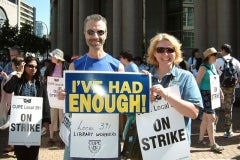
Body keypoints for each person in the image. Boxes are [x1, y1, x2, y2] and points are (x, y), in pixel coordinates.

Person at [60, 14, 124, 160]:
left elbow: (125, 105)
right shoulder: (74, 66)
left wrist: (144, 84)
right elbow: (67, 101)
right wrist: (61, 97)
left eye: (100, 32)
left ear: (106, 34)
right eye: (91, 32)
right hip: (79, 134)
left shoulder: (117, 67)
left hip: (108, 136)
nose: (95, 36)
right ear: (84, 34)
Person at [147, 33, 203, 143]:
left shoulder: (186, 77)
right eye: (160, 50)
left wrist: (166, 95)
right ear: (154, 53)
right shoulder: (145, 78)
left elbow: (194, 113)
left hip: (177, 146)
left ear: (176, 53)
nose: (165, 54)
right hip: (150, 145)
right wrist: (144, 100)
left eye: (170, 50)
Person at [3, 56, 51, 160]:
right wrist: (18, 74)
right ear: (24, 66)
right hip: (19, 123)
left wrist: (46, 121)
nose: (33, 69)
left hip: (34, 124)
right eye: (30, 66)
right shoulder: (18, 80)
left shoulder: (40, 81)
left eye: (36, 67)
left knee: (33, 153)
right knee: (20, 153)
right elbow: (7, 89)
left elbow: (45, 101)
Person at [196, 47, 224, 153]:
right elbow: (197, 82)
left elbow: (216, 80)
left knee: (206, 119)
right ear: (209, 56)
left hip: (213, 94)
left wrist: (220, 92)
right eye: (215, 55)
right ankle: (213, 144)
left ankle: (200, 140)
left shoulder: (212, 66)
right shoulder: (203, 67)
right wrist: (196, 98)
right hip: (205, 95)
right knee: (211, 118)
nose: (216, 57)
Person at [214, 44, 240, 138]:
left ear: (223, 50)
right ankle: (228, 131)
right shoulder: (236, 61)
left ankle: (213, 129)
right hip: (230, 88)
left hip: (219, 87)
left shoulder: (217, 61)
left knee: (216, 108)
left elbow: (213, 74)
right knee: (228, 109)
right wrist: (235, 84)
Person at [44, 48, 68, 146]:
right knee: (52, 116)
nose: (51, 57)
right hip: (52, 96)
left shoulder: (66, 67)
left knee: (62, 117)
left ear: (57, 57)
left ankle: (63, 138)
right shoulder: (50, 67)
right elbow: (46, 79)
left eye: (52, 56)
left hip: (62, 97)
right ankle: (51, 137)